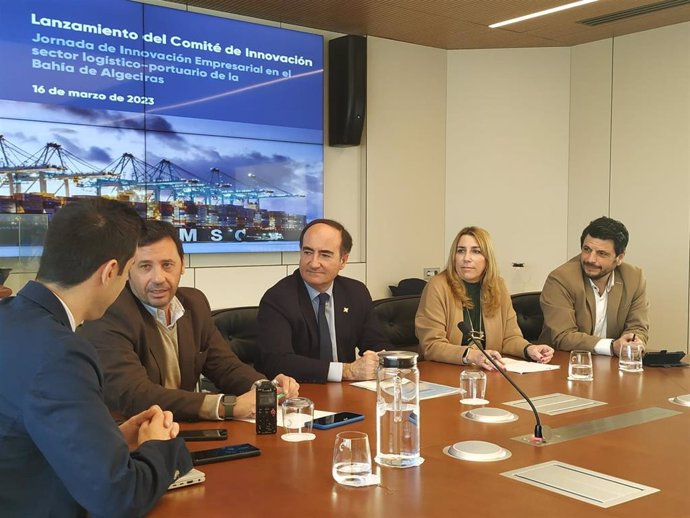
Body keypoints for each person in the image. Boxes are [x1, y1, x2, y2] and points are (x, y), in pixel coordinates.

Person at [0, 199, 191, 517]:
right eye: (132, 269)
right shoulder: (61, 352)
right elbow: (119, 497)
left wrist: (109, 438)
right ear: (111, 271)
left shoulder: (9, 317)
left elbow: (26, 430)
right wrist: (159, 445)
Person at [78, 221, 299, 422]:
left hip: (186, 428)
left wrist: (265, 388)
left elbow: (224, 366)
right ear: (128, 270)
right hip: (131, 437)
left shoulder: (194, 303)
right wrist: (227, 407)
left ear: (182, 265)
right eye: (145, 266)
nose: (158, 278)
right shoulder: (108, 313)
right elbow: (134, 394)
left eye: (167, 265)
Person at [256, 219, 389, 383]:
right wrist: (346, 371)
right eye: (307, 252)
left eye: (325, 255)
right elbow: (277, 362)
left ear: (343, 260)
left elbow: (376, 344)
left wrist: (379, 361)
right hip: (301, 395)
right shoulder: (278, 298)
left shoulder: (355, 292)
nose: (313, 263)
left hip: (348, 393)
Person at [416, 226, 554, 370]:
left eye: (476, 251)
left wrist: (529, 349)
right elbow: (431, 345)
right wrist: (471, 355)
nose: (466, 258)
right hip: (446, 372)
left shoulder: (497, 286)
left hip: (487, 373)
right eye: (461, 251)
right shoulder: (438, 286)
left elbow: (510, 338)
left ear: (487, 258)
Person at [539, 216, 649, 356]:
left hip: (612, 366)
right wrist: (611, 346)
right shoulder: (561, 279)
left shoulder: (634, 278)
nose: (590, 259)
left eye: (601, 254)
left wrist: (633, 342)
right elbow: (563, 336)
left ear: (619, 258)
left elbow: (638, 327)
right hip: (564, 362)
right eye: (587, 249)